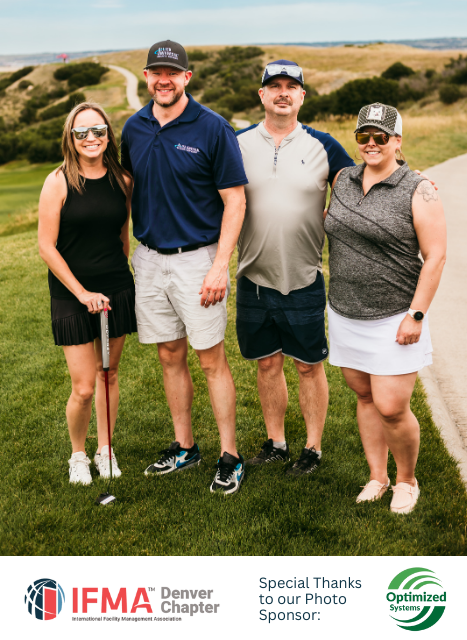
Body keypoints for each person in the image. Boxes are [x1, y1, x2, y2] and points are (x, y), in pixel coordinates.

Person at [121, 40, 248, 494]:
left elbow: (235, 201)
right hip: (150, 261)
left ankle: (230, 455)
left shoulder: (213, 128)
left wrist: (219, 266)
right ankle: (185, 447)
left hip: (198, 261)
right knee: (168, 356)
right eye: (155, 72)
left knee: (211, 359)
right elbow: (128, 189)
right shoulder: (134, 128)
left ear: (187, 78)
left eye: (171, 73)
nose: (163, 80)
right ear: (147, 76)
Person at [324, 102, 447, 513]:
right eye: (364, 136)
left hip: (396, 316)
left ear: (397, 141)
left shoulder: (419, 188)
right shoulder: (342, 178)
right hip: (344, 311)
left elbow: (436, 257)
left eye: (381, 136)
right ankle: (377, 476)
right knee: (364, 397)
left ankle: (406, 481)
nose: (372, 144)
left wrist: (416, 314)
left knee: (392, 406)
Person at [235, 60, 355, 475]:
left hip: (304, 276)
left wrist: (414, 182)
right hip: (252, 276)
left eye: (291, 86)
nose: (283, 92)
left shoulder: (324, 146)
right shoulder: (237, 144)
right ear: (262, 95)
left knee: (308, 366)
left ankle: (313, 448)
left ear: (302, 96)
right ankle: (276, 443)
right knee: (267, 363)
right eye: (275, 86)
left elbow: (365, 184)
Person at [38, 102, 136, 485]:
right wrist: (81, 292)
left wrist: (117, 281)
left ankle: (105, 448)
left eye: (98, 131)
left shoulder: (123, 180)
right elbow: (47, 247)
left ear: (108, 134)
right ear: (71, 138)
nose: (91, 138)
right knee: (82, 386)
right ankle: (78, 455)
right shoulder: (58, 181)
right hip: (71, 294)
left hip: (114, 290)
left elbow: (122, 236)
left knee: (107, 374)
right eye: (82, 133)